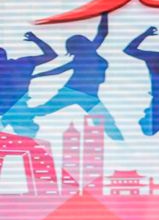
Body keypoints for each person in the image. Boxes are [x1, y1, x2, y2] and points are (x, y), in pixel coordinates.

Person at [29, 13, 123, 141]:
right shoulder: (84, 56)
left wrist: (104, 13)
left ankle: (122, 143)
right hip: (73, 92)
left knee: (107, 121)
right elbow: (58, 70)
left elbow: (102, 33)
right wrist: (36, 75)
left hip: (88, 95)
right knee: (44, 110)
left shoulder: (88, 53)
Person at [0, 31, 57, 137]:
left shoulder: (22, 63)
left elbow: (51, 55)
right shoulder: (22, 63)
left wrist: (36, 40)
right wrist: (36, 40)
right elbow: (51, 55)